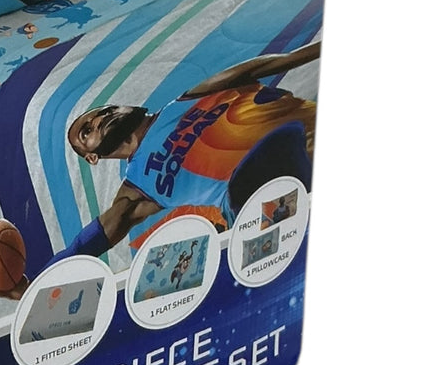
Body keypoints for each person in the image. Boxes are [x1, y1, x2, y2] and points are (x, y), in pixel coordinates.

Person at [59, 41, 320, 260]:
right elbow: (88, 243)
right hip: (256, 200)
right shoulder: (137, 188)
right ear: (92, 157)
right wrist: (49, 276)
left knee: (284, 139)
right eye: (87, 131)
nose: (101, 119)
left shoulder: (193, 96)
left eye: (107, 110)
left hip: (305, 135)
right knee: (252, 180)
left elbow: (279, 61)